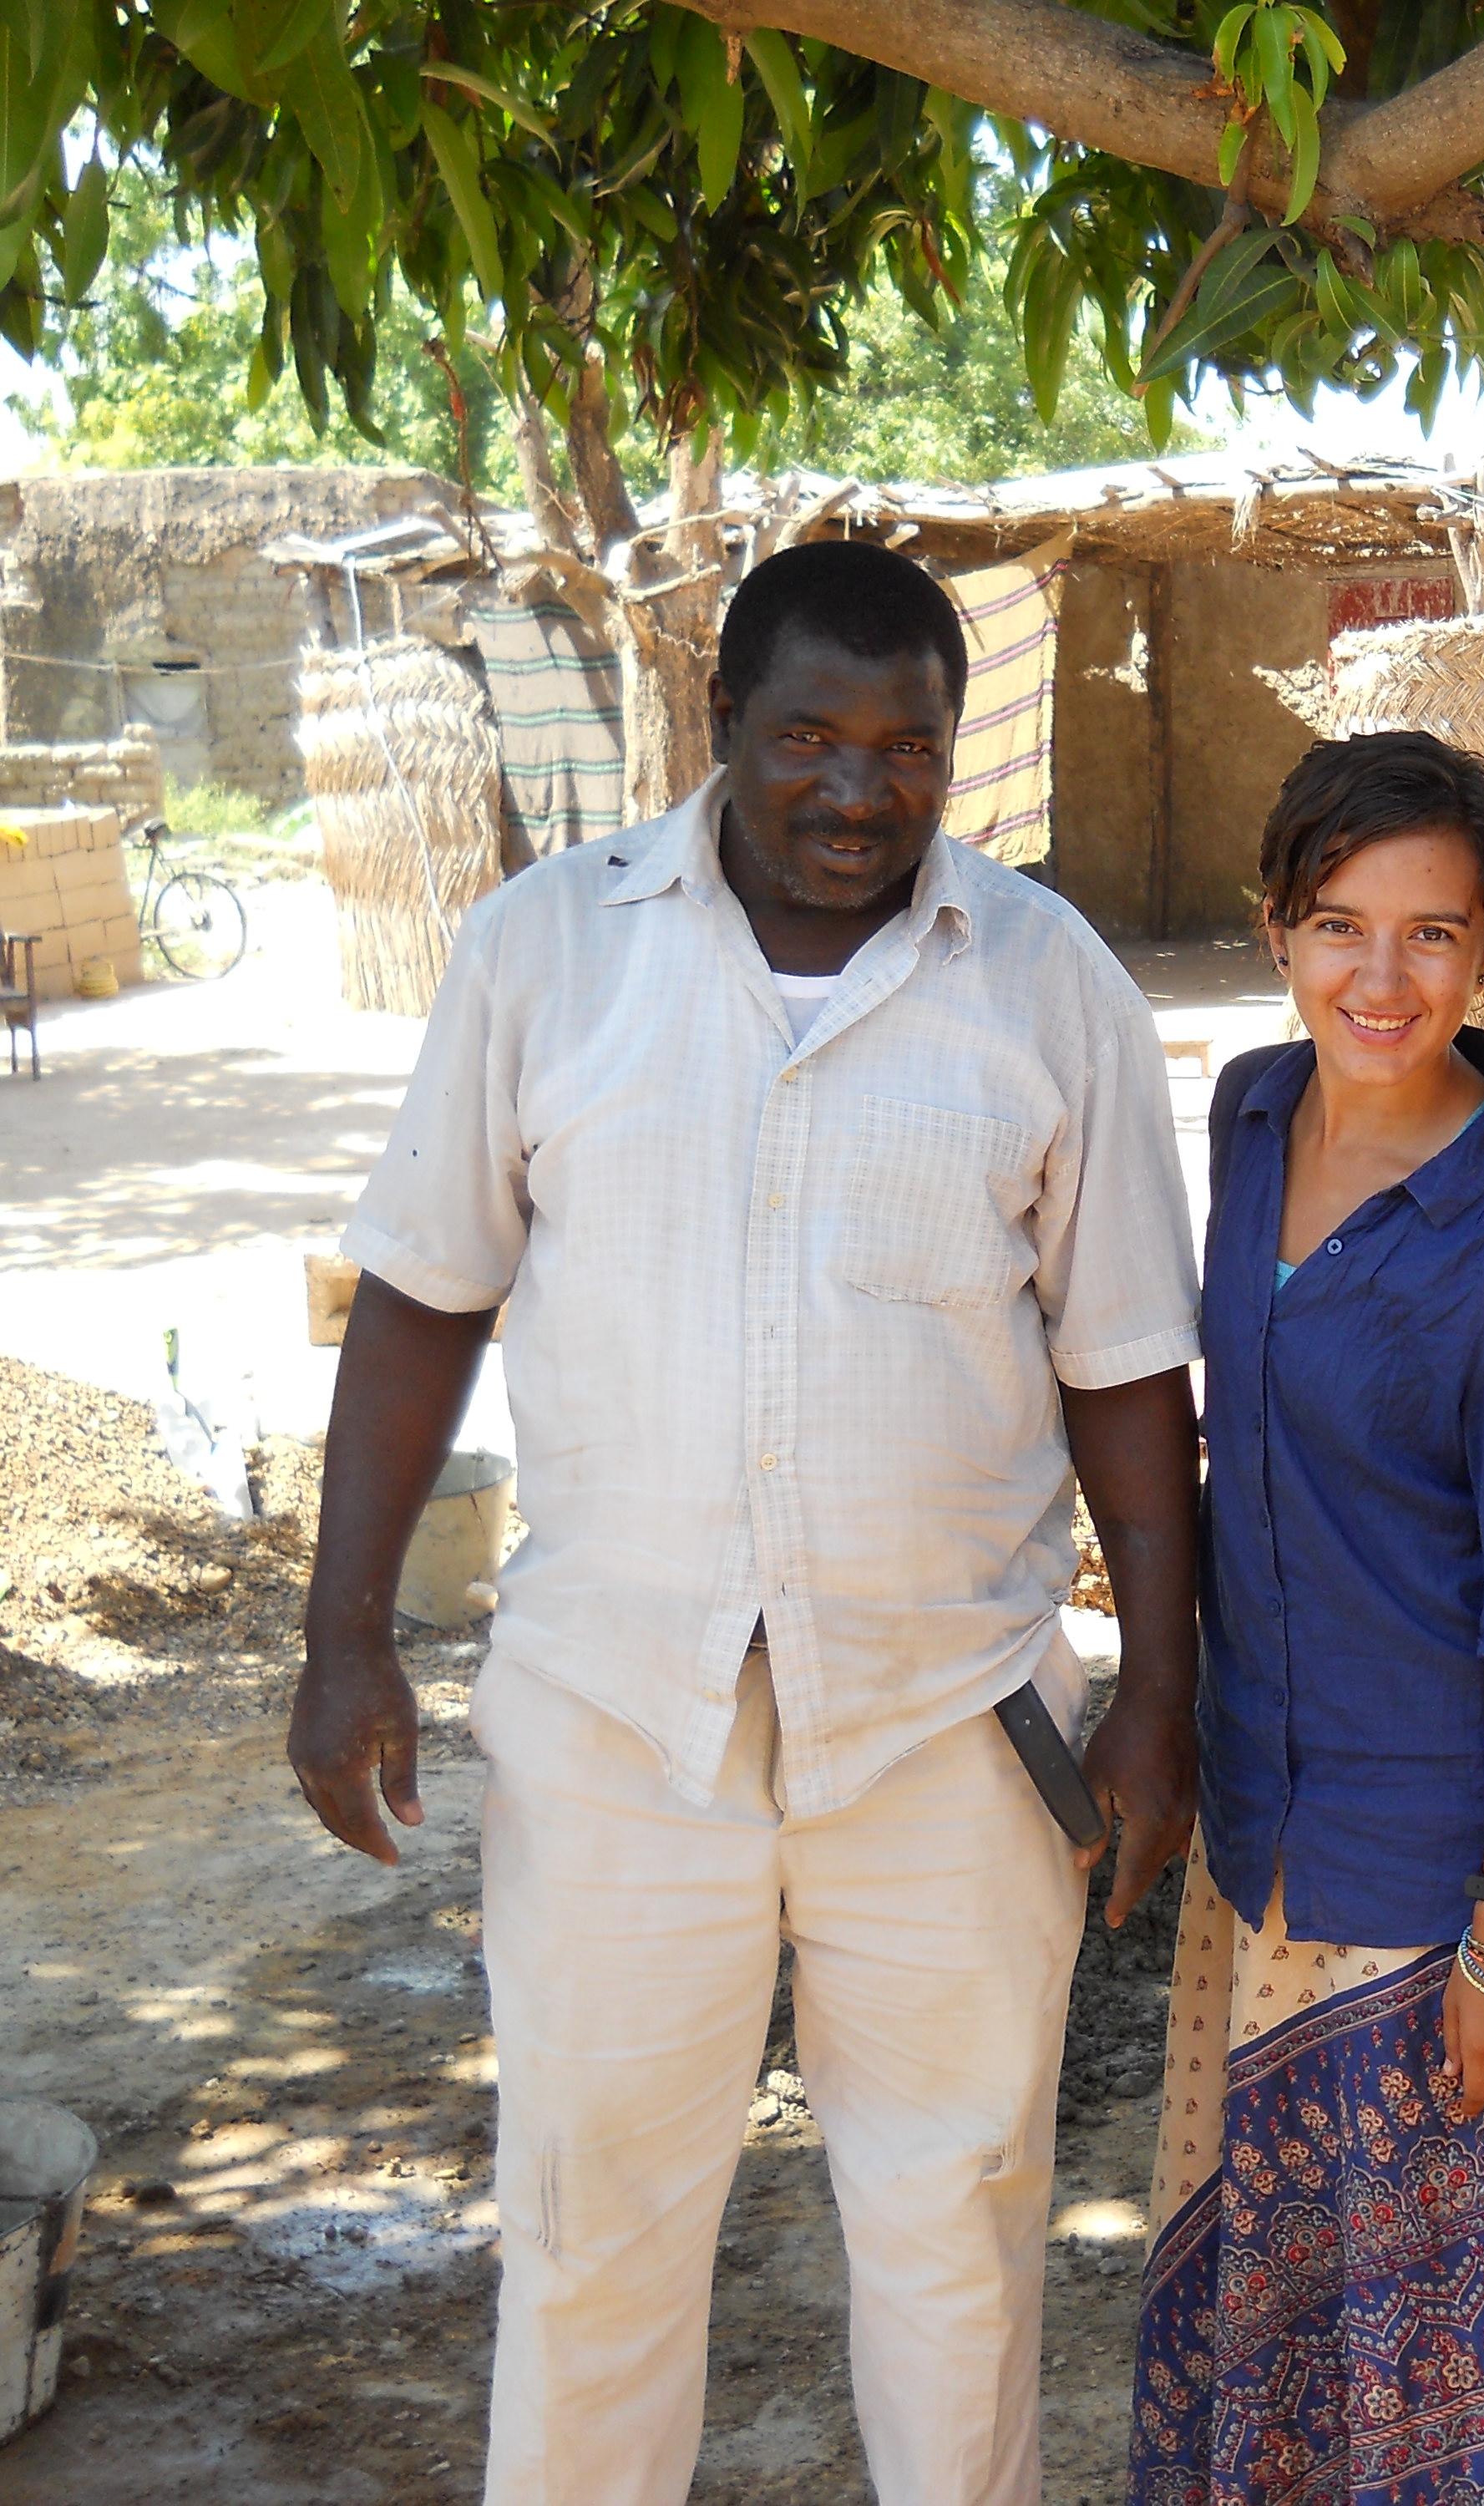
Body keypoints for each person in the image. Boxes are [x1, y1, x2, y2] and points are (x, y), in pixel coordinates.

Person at [288, 538, 1205, 2506]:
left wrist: (1158, 1692)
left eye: (909, 747)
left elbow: (1128, 1358)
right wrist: (343, 1629)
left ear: (962, 755)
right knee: (591, 2231)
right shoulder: (546, 948)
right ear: (723, 728)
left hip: (953, 1723)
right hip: (616, 1715)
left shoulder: (1045, 980)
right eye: (810, 736)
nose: (857, 791)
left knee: (955, 2229)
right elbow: (424, 1290)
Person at [1131, 732, 1484, 2504]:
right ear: (1273, 926)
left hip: (1440, 1880)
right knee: (1301, 2360)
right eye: (1337, 927)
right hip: (1262, 1839)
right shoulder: (1248, 1110)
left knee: (1453, 2396)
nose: (1381, 980)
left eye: (1433, 935)